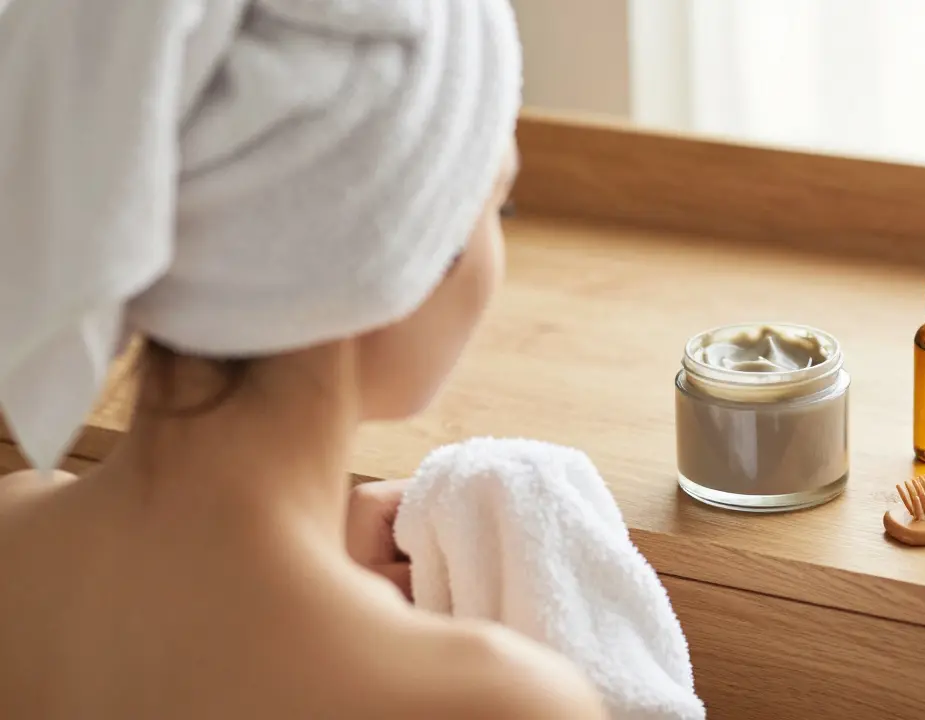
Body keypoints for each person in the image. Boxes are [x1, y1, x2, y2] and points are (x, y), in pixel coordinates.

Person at [0, 0, 608, 717]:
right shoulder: (495, 700)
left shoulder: (16, 532)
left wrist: (320, 563)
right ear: (401, 253)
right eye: (494, 208)